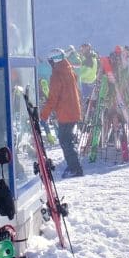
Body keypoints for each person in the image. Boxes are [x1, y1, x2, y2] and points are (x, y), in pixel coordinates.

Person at [40, 48, 85, 177]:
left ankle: (75, 168)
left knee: (65, 140)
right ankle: (74, 166)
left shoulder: (57, 74)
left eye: (50, 61)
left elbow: (53, 98)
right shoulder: (68, 70)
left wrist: (43, 116)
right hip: (73, 110)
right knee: (66, 139)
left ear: (54, 61)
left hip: (66, 112)